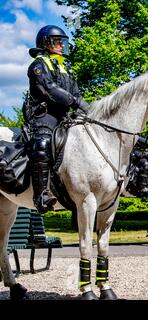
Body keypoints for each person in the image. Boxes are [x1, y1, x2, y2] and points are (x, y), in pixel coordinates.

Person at [26, 25, 89, 214]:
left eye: (62, 41)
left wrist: (85, 108)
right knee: (43, 144)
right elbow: (49, 88)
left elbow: (75, 91)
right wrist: (75, 101)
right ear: (46, 43)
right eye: (57, 41)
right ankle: (41, 195)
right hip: (45, 115)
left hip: (64, 115)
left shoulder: (66, 66)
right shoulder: (38, 65)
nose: (62, 45)